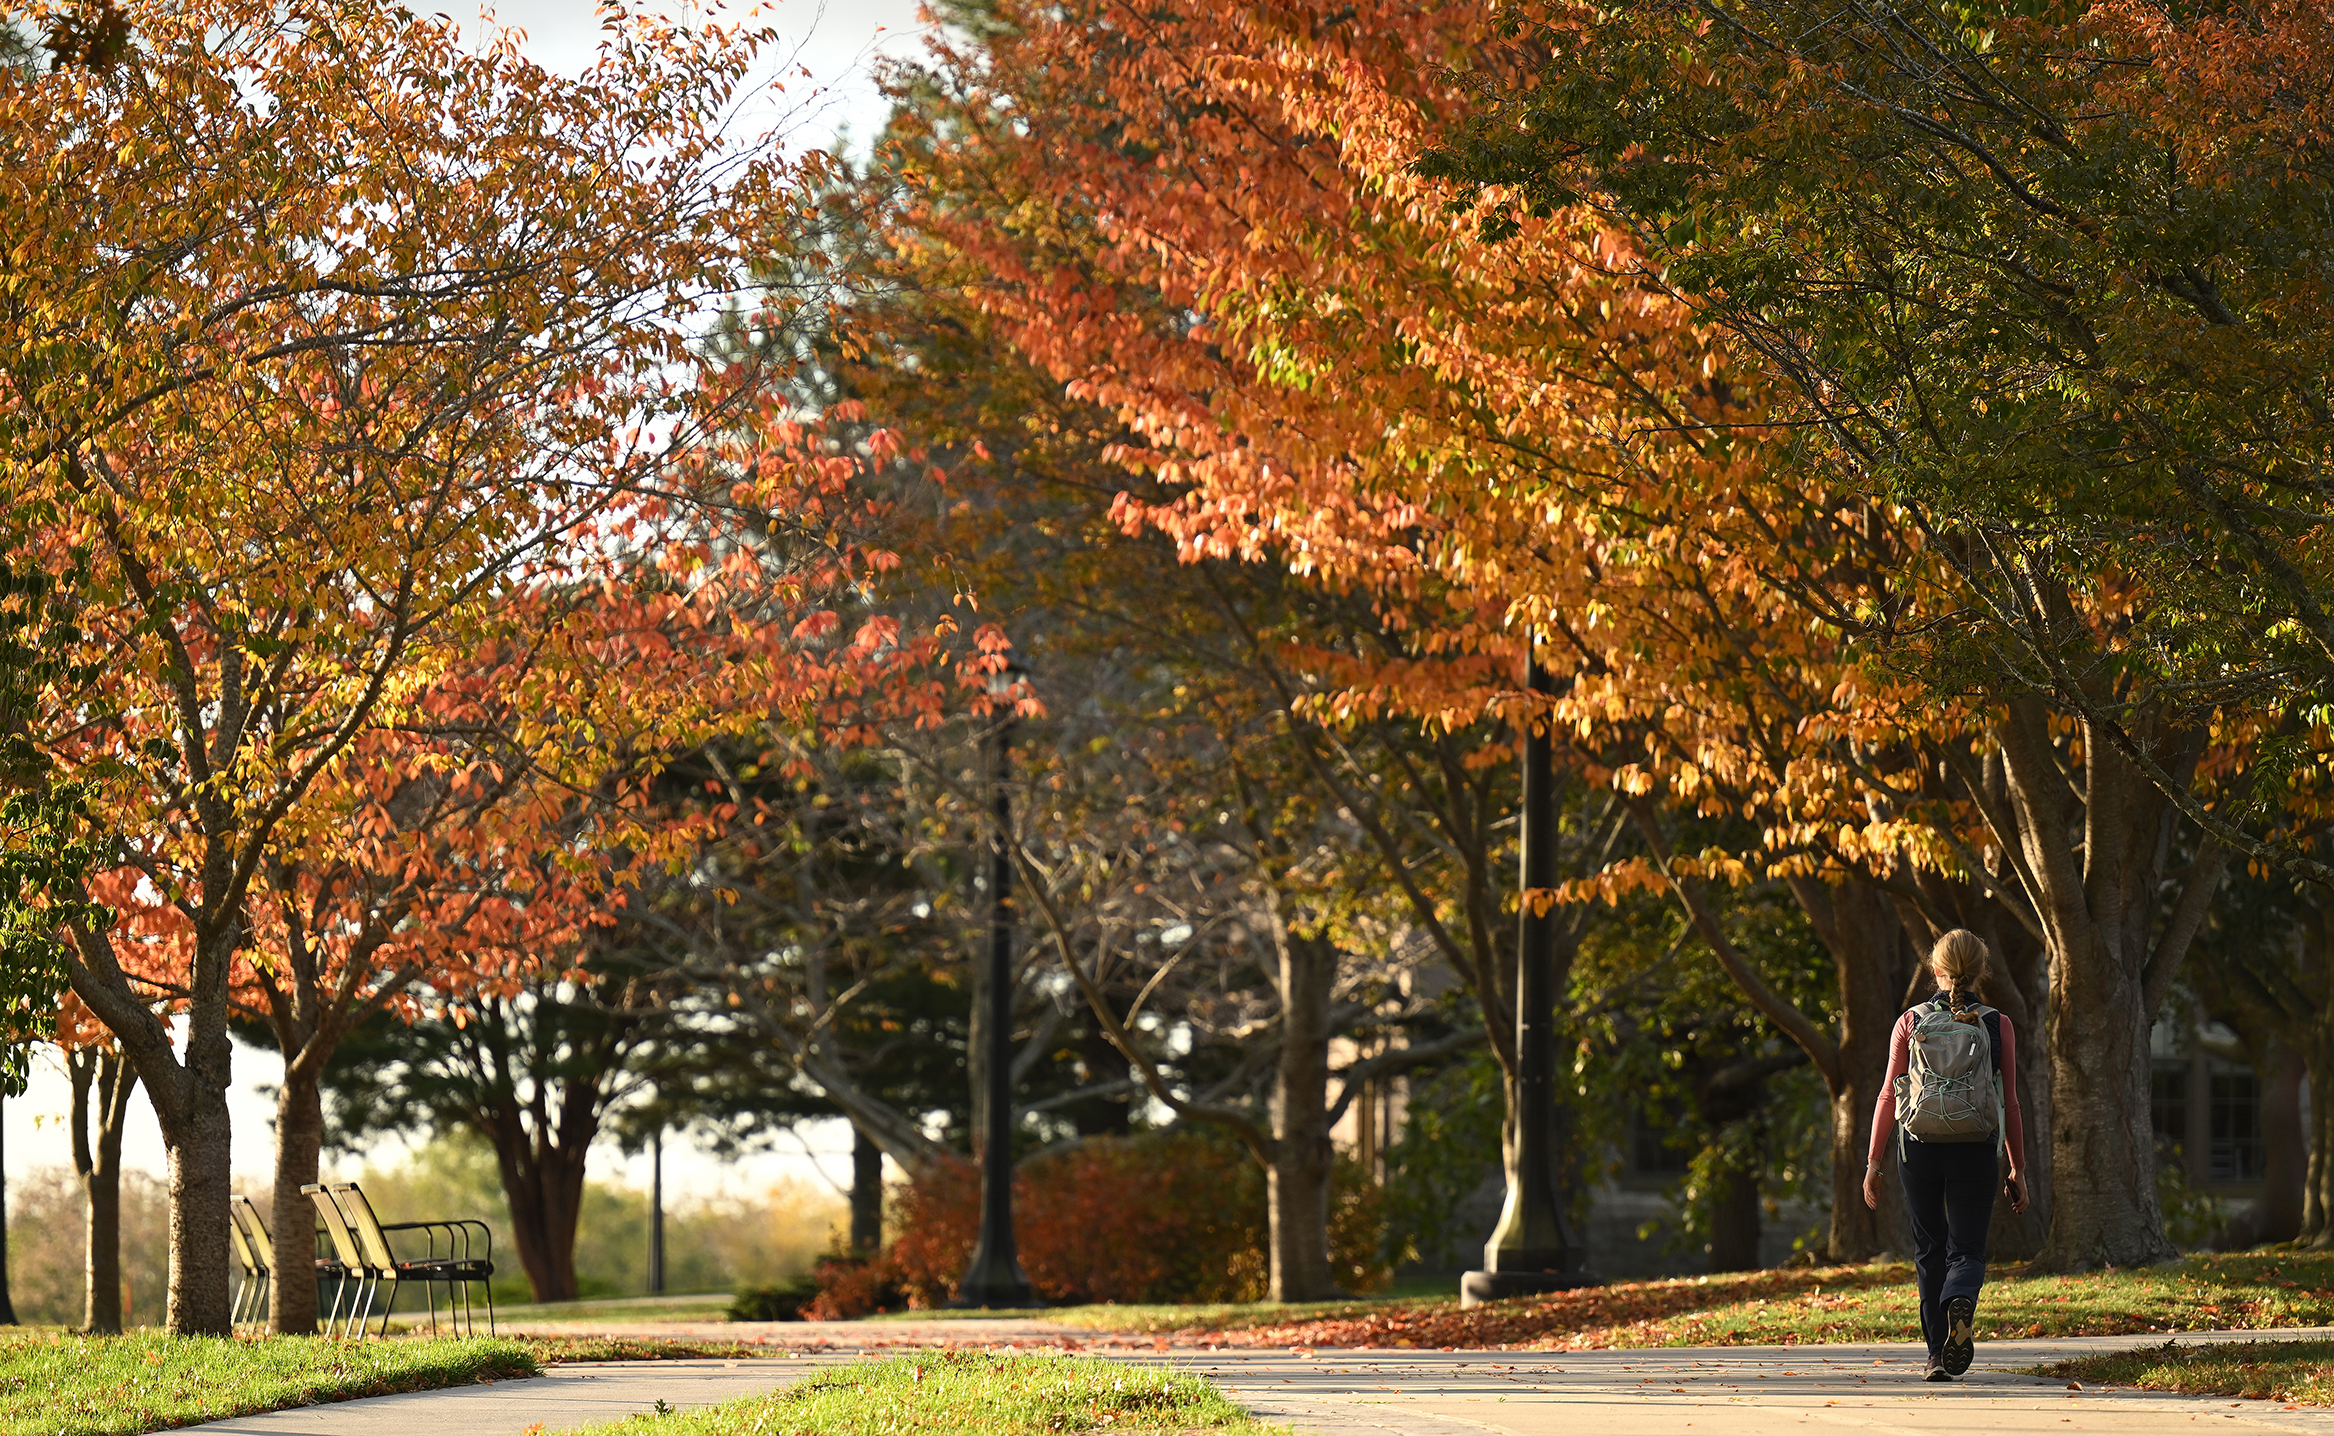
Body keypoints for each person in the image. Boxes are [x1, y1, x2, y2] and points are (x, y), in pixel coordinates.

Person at [1864, 929, 2029, 1381]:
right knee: (1967, 1249)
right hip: (1975, 1148)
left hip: (1917, 1148)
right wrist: (2017, 1167)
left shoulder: (1910, 1021)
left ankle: (1937, 1355)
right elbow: (2009, 1102)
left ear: (1935, 970)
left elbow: (1886, 1095)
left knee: (1929, 1248)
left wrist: (1873, 1163)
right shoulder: (1998, 1024)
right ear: (1980, 972)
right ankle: (1961, 1296)